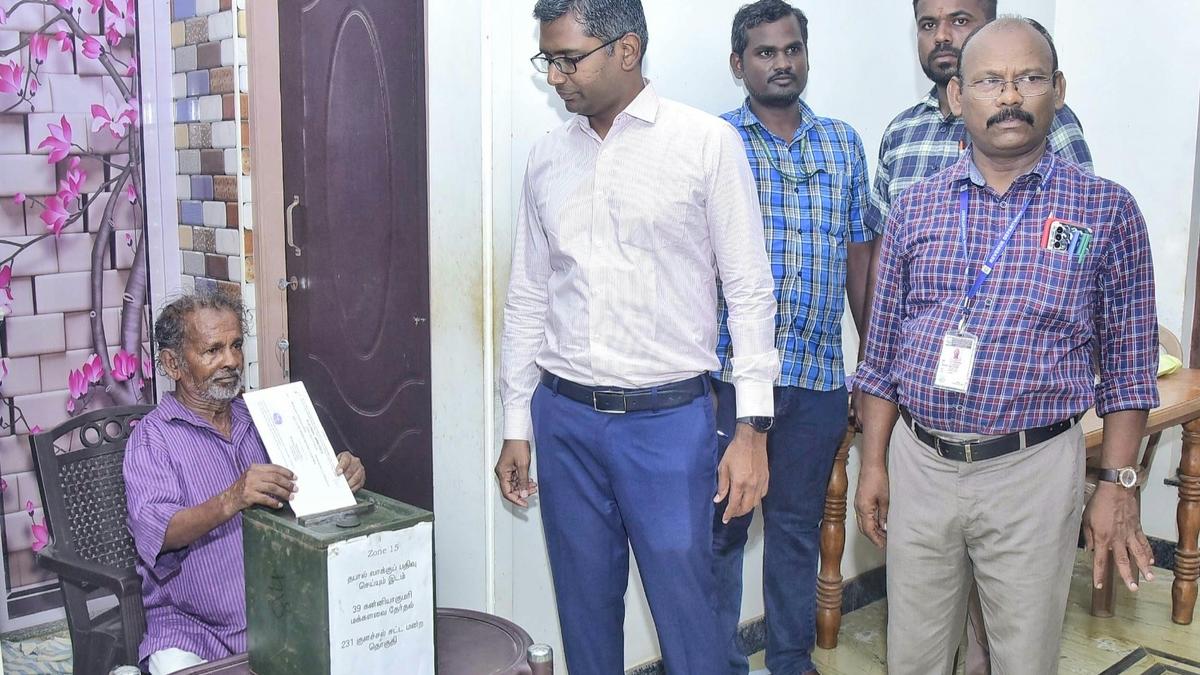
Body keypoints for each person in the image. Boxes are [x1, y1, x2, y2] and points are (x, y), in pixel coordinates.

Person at [853, 17, 1159, 674]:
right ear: (957, 96)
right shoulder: (915, 208)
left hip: (1032, 472)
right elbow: (880, 358)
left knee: (1022, 659)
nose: (1011, 96)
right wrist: (873, 464)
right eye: (991, 80)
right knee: (913, 656)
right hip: (922, 465)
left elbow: (1129, 370)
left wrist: (1118, 482)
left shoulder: (1105, 211)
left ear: (1058, 90)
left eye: (1030, 78)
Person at [493, 1, 780, 672]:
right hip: (564, 419)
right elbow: (528, 293)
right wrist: (516, 423)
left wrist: (752, 431)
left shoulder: (705, 143)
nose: (555, 77)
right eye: (547, 61)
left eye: (569, 59)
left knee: (691, 624)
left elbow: (749, 290)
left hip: (669, 425)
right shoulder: (547, 157)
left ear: (626, 50)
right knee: (585, 616)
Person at [711, 2, 874, 674]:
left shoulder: (842, 143)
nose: (781, 63)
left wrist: (872, 368)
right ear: (738, 63)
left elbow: (860, 257)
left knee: (797, 529)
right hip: (728, 379)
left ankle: (789, 659)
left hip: (818, 378)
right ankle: (715, 662)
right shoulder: (716, 141)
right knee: (722, 531)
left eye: (792, 49)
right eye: (765, 52)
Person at [124, 291, 366, 675]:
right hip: (192, 629)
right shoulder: (152, 439)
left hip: (280, 614)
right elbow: (159, 533)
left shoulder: (264, 415)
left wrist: (343, 474)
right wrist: (232, 498)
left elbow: (312, 493)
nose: (232, 361)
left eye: (236, 345)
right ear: (173, 364)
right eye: (213, 350)